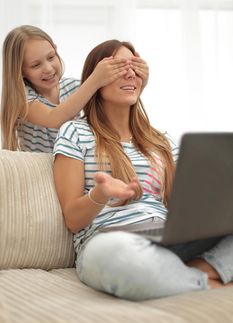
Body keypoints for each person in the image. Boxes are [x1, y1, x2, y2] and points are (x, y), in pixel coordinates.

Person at [53, 39, 233, 301]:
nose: (129, 73)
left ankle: (191, 273)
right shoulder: (75, 132)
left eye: (134, 66)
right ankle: (209, 281)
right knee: (118, 258)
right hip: (111, 239)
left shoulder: (161, 141)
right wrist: (101, 194)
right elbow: (72, 220)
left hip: (169, 236)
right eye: (118, 67)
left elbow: (187, 203)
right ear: (96, 78)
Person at [1, 25, 148, 152]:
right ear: (19, 70)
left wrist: (141, 82)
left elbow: (114, 105)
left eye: (51, 57)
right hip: (41, 170)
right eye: (35, 65)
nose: (48, 68)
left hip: (71, 163)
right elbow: (54, 118)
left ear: (56, 50)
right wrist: (95, 79)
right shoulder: (22, 98)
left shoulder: (74, 87)